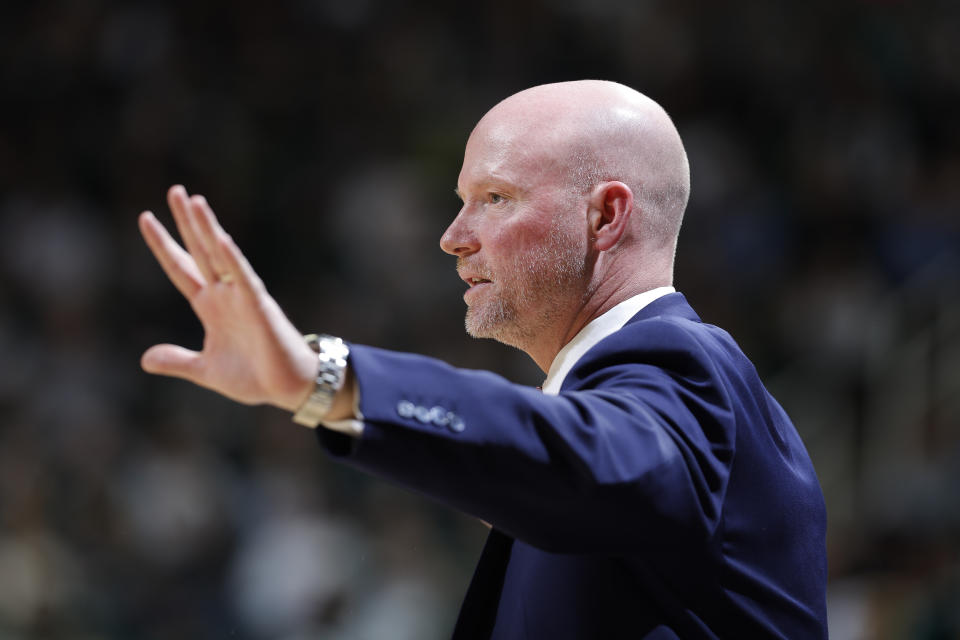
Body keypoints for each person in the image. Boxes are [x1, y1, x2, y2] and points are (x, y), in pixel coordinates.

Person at [138, 80, 828, 638]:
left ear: (605, 216)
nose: (451, 238)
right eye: (460, 202)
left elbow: (586, 458)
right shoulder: (619, 409)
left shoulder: (684, 363)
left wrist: (327, 379)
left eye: (494, 199)